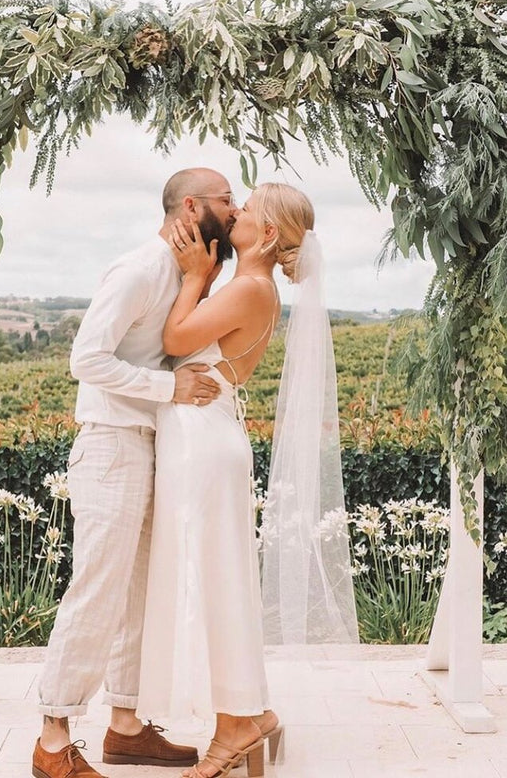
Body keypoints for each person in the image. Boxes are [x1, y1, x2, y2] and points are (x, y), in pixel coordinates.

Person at [32, 168, 238, 778]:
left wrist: (201, 278)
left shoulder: (186, 274)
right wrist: (167, 387)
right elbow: (86, 358)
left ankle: (124, 725)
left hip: (149, 444)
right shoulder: (139, 269)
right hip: (111, 445)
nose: (236, 208)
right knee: (97, 588)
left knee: (140, 592)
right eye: (227, 200)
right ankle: (52, 739)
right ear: (193, 206)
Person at [136, 183, 320, 778]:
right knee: (219, 577)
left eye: (248, 210)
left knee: (209, 580)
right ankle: (250, 714)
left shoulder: (248, 288)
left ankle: (234, 727)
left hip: (203, 445)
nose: (235, 211)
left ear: (267, 235)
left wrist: (192, 277)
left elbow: (174, 342)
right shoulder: (250, 286)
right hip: (205, 436)